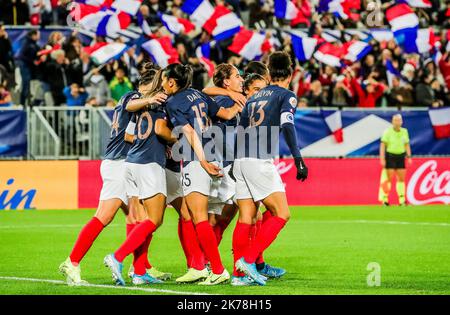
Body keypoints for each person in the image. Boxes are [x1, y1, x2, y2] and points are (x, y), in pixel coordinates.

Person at [58, 68, 167, 286]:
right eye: (160, 83)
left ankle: (140, 268)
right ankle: (73, 261)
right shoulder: (135, 98)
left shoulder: (132, 98)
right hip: (119, 163)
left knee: (136, 217)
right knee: (105, 216)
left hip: (121, 162)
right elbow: (128, 134)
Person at [231, 52, 308, 286]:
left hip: (241, 160)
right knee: (282, 213)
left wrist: (236, 164)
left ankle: (238, 276)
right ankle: (249, 260)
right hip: (258, 160)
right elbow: (287, 125)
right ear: (291, 72)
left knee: (246, 216)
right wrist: (298, 159)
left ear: (270, 71)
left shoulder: (252, 98)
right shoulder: (287, 95)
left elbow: (240, 131)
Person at [162, 63, 241, 285]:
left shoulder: (173, 101)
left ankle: (216, 269)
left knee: (198, 218)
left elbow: (188, 131)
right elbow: (224, 113)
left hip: (197, 160)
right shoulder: (197, 94)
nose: (163, 85)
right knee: (198, 214)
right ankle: (199, 267)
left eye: (164, 80)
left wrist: (202, 161)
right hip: (215, 154)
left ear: (171, 82)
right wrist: (239, 103)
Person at [103, 69, 175, 286]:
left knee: (141, 218)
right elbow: (162, 130)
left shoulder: (144, 102)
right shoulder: (158, 101)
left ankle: (139, 270)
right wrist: (173, 140)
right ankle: (118, 257)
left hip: (133, 162)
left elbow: (128, 135)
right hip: (148, 164)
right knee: (155, 219)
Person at [379, 114, 412, 206]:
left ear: (401, 122)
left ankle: (402, 200)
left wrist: (409, 156)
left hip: (401, 156)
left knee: (401, 178)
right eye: (395, 120)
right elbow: (383, 145)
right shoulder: (388, 132)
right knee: (389, 178)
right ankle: (385, 199)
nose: (397, 122)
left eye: (399, 120)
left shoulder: (404, 131)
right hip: (390, 156)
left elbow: (407, 144)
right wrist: (382, 158)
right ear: (392, 122)